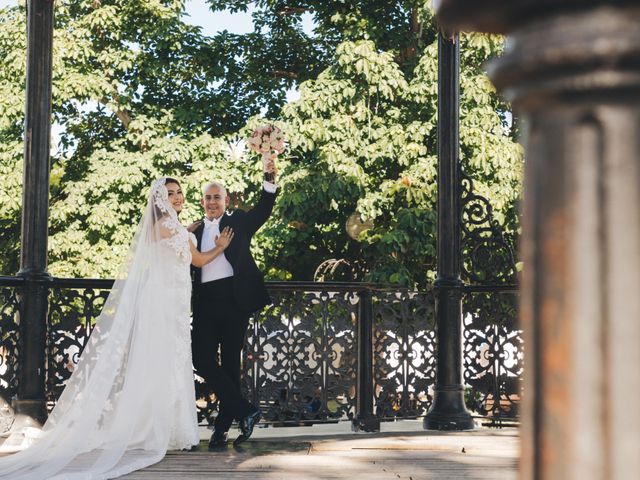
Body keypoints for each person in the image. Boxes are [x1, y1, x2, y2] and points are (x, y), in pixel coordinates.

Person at [0, 177, 233, 479]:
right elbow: (199, 260)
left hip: (173, 301)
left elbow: (178, 242)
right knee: (165, 361)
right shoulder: (166, 226)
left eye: (178, 193)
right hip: (164, 301)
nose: (176, 198)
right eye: (170, 194)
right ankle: (160, 428)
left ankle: (168, 426)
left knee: (170, 361)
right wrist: (221, 247)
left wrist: (185, 230)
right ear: (160, 200)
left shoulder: (170, 227)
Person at [190, 156, 278, 449]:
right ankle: (246, 410)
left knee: (229, 366)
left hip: (234, 301)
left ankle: (221, 430)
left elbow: (265, 208)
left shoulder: (239, 221)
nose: (212, 202)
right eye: (208, 198)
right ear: (202, 201)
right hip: (204, 304)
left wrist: (268, 175)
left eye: (217, 197)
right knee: (200, 360)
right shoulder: (193, 230)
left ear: (226, 200)